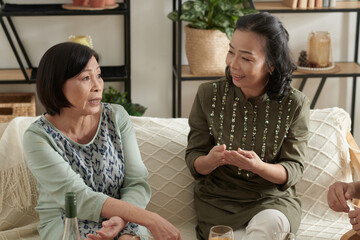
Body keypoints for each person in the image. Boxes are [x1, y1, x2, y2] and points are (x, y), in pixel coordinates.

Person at [23, 42, 181, 240]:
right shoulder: (38, 137)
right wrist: (151, 219)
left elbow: (136, 183)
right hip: (67, 220)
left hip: (123, 215)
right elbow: (79, 198)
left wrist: (122, 220)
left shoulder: (116, 117)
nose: (98, 86)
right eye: (86, 78)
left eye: (98, 75)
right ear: (57, 84)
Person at [185, 12, 310, 240]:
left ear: (271, 65)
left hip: (271, 201)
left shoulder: (295, 104)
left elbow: (293, 169)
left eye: (246, 58)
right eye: (231, 52)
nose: (233, 64)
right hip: (218, 203)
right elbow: (194, 158)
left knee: (270, 225)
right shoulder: (208, 94)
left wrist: (258, 167)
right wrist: (210, 160)